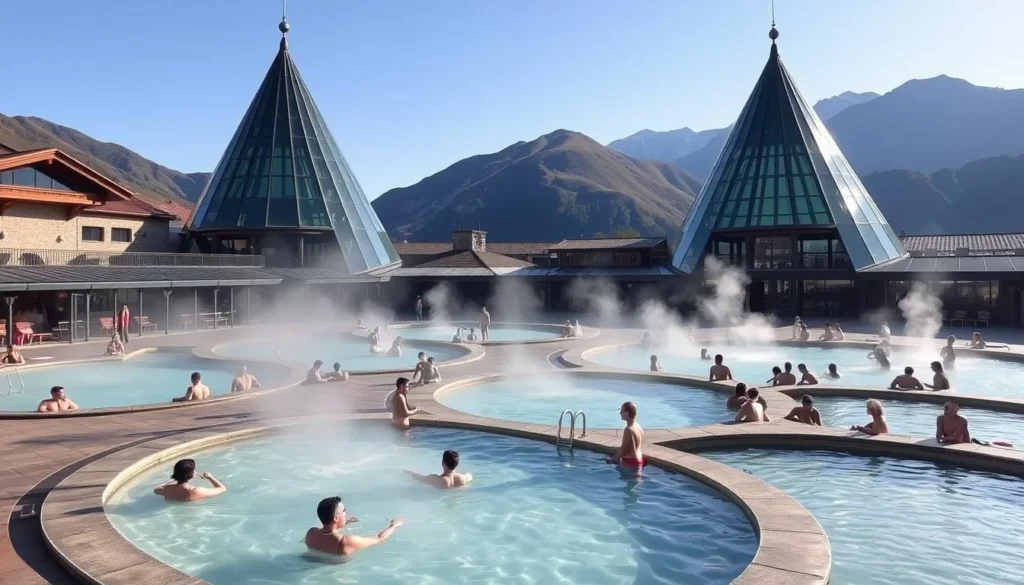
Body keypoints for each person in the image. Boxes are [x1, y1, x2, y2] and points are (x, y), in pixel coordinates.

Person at [305, 496, 402, 557]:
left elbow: (327, 534)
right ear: (336, 518)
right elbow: (379, 538)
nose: (346, 514)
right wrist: (394, 525)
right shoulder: (346, 542)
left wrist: (342, 524)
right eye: (344, 511)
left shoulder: (311, 533)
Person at [153, 458, 226, 502]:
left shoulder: (167, 489)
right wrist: (211, 477)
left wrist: (175, 480)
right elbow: (222, 489)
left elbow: (156, 490)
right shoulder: (194, 491)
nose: (195, 471)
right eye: (194, 470)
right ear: (190, 473)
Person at [407, 450, 473, 489]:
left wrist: (409, 472)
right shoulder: (462, 478)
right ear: (457, 464)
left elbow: (420, 478)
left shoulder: (437, 479)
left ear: (443, 463)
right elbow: (470, 475)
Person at [608, 401, 644, 468]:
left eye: (621, 411)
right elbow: (633, 446)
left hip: (629, 462)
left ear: (627, 412)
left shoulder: (628, 429)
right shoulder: (639, 427)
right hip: (639, 459)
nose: (620, 413)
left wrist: (613, 459)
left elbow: (624, 450)